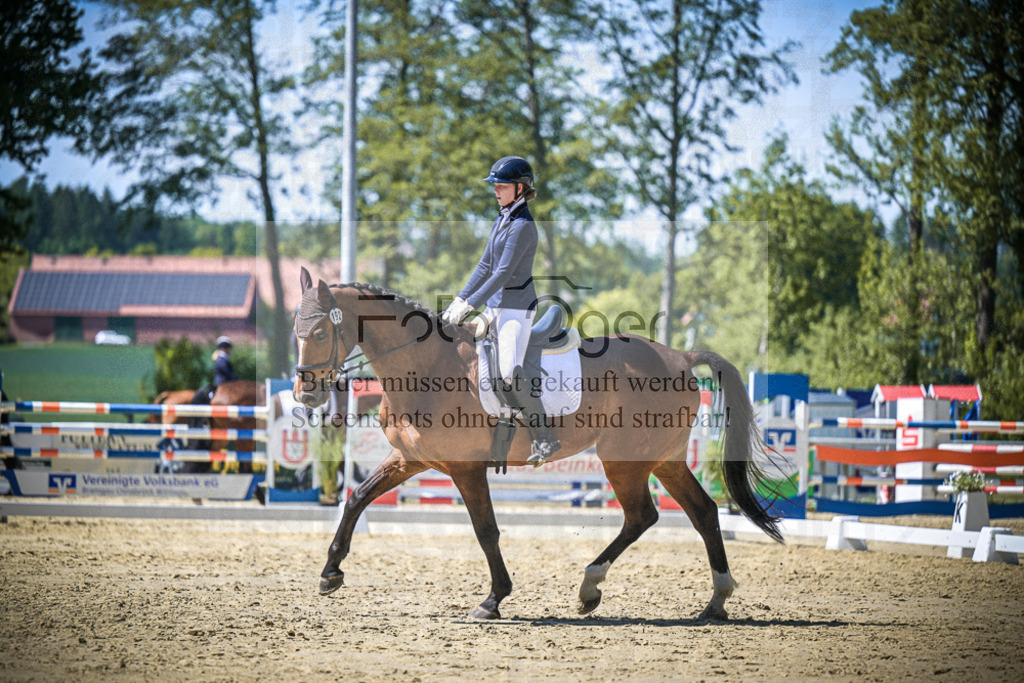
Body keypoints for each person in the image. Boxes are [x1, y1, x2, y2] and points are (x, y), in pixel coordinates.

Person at [441, 156, 561, 466]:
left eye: (502, 185)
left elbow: (503, 273)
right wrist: (460, 298)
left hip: (516, 310)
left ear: (520, 188)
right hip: (494, 307)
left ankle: (545, 437)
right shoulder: (502, 219)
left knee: (508, 371)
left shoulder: (522, 226)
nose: (496, 190)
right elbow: (484, 266)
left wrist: (471, 304)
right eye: (495, 185)